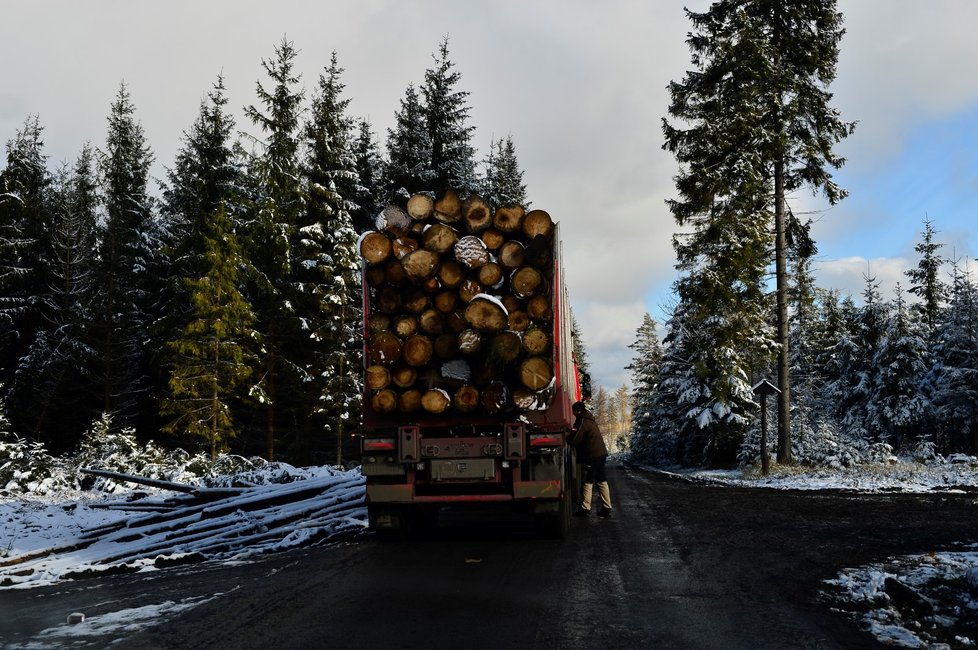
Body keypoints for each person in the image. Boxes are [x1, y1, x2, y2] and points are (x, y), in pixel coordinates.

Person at [567, 401, 612, 518]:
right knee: (601, 480)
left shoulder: (582, 421)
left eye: (573, 411)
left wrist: (568, 437)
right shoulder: (589, 418)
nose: (572, 413)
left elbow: (575, 439)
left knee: (588, 481)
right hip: (600, 453)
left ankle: (585, 508)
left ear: (577, 411)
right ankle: (607, 507)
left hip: (592, 455)